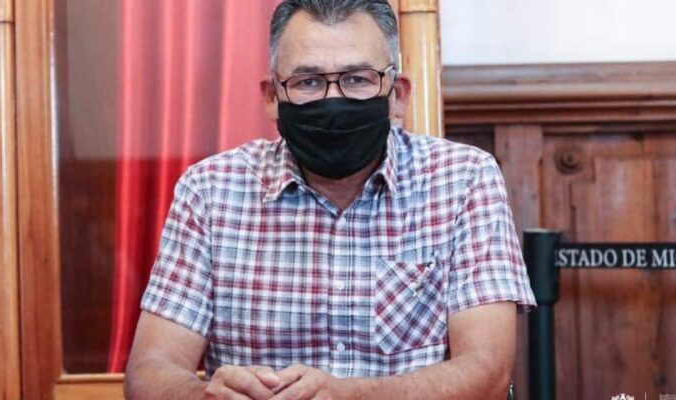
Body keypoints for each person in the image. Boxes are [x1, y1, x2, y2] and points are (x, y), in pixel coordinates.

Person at [124, 1, 535, 399]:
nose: (333, 101)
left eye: (357, 79)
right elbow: (149, 371)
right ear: (271, 97)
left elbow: (488, 372)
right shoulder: (210, 191)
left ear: (397, 95)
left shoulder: (463, 181)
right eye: (308, 82)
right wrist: (203, 396)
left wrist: (350, 396)